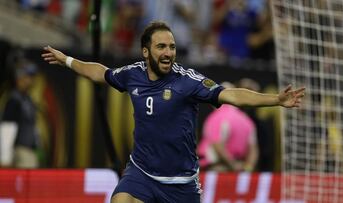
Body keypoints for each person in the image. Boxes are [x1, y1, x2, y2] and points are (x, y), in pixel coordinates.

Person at [41, 21, 305, 203]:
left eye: (172, 47)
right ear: (146, 52)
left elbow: (232, 95)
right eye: (161, 47)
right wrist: (67, 60)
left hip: (181, 184)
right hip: (141, 173)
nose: (169, 53)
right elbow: (101, 73)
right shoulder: (133, 74)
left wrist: (276, 100)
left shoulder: (187, 81)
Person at [197, 82, 258, 172]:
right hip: (238, 168)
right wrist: (248, 168)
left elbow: (217, 145)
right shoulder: (247, 120)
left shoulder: (216, 117)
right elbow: (254, 149)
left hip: (216, 168)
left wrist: (232, 165)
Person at [1, 58, 40, 168]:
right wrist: (5, 157)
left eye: (32, 77)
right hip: (20, 151)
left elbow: (32, 126)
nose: (31, 81)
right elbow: (7, 128)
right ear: (19, 78)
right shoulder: (14, 100)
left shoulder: (27, 99)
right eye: (28, 77)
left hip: (29, 150)